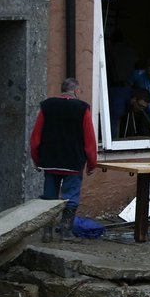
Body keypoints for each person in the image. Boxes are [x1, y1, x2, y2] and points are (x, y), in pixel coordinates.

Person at [30, 78, 98, 242]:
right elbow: (89, 140)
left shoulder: (47, 106)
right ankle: (66, 232)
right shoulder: (82, 109)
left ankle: (47, 233)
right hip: (73, 162)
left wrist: (37, 159)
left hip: (50, 160)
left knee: (49, 198)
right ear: (76, 91)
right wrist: (91, 163)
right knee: (71, 197)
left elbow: (35, 138)